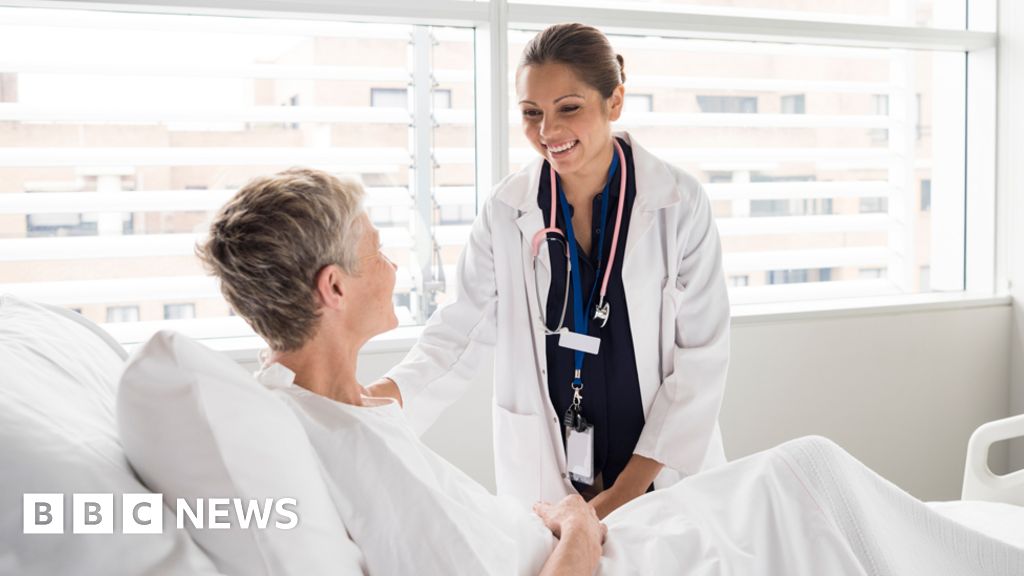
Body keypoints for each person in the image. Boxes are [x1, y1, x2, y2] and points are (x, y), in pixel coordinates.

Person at [196, 167, 1023, 576]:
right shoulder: (346, 444)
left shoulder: (323, 416)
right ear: (333, 288)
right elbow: (461, 338)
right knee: (817, 486)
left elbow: (700, 358)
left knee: (813, 477)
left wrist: (573, 518)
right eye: (375, 246)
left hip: (605, 527)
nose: (394, 259)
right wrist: (582, 527)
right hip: (606, 549)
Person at [367, 22, 731, 518]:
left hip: (656, 473)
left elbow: (701, 360)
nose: (548, 132)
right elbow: (458, 331)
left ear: (615, 102)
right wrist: (379, 398)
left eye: (569, 108)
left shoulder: (677, 203)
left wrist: (616, 499)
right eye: (531, 113)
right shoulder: (507, 209)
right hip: (552, 475)